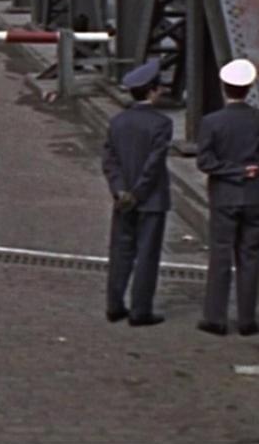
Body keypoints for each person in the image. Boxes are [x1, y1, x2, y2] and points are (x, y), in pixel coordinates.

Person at [195, 58, 259, 336]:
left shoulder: (211, 122)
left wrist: (233, 171)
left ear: (224, 87)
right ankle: (247, 319)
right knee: (250, 257)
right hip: (254, 196)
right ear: (249, 87)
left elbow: (204, 161)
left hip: (224, 196)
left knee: (221, 255)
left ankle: (215, 317)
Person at [102, 59, 173, 327]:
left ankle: (114, 304)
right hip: (151, 200)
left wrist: (120, 190)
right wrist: (139, 192)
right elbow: (153, 164)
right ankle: (140, 310)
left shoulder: (118, 122)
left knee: (121, 252)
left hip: (122, 200)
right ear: (152, 90)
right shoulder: (162, 123)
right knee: (147, 255)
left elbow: (109, 159)